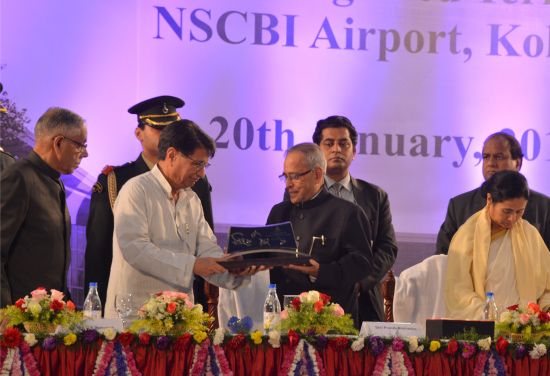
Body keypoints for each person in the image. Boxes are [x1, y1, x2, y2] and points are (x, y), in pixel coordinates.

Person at [104, 120, 251, 317]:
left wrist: (234, 269)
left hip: (179, 318)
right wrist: (193, 265)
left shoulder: (191, 199)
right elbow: (136, 249)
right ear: (172, 155)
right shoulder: (136, 190)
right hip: (135, 319)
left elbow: (207, 249)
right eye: (197, 164)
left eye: (205, 165)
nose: (202, 173)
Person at [219, 143, 376, 328]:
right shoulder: (279, 212)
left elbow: (362, 264)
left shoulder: (348, 213)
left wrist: (321, 272)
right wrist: (240, 258)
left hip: (330, 324)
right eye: (285, 177)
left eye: (294, 177)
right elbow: (266, 253)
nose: (288, 185)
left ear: (317, 174)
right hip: (285, 322)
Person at [85, 96, 214, 308]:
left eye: (173, 129)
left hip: (180, 313)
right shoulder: (129, 186)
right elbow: (112, 252)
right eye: (160, 130)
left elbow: (205, 247)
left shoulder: (191, 193)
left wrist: (230, 267)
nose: (169, 137)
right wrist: (93, 309)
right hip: (135, 317)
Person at [312, 115, 397, 322]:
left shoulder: (375, 196)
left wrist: (361, 281)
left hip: (364, 298)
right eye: (329, 144)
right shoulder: (303, 193)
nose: (337, 150)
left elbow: (387, 248)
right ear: (317, 152)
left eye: (344, 144)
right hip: (313, 299)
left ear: (354, 152)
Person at [1, 107, 88, 306]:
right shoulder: (19, 177)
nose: (85, 153)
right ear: (58, 142)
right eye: (80, 145)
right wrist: (4, 312)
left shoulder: (54, 181)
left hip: (45, 318)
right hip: (17, 321)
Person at [445, 170, 550, 319]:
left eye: (519, 211)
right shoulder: (467, 236)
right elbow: (458, 291)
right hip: (483, 328)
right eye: (507, 211)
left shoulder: (530, 235)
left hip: (524, 329)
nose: (512, 218)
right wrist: (492, 315)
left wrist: (544, 310)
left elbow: (547, 286)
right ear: (489, 200)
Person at [436, 132, 550, 254]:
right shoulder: (459, 205)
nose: (490, 163)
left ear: (518, 163)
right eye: (486, 156)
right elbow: (443, 256)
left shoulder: (543, 206)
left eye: (499, 157)